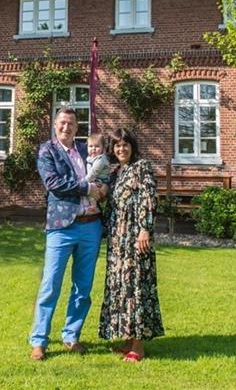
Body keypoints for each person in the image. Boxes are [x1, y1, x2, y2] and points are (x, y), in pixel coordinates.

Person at [29, 107, 108, 361]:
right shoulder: (47, 150)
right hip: (61, 227)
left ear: (77, 127)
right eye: (62, 123)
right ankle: (39, 341)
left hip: (91, 226)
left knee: (82, 287)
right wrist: (88, 187)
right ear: (55, 125)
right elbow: (54, 184)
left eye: (71, 123)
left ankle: (71, 336)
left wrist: (104, 188)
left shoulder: (87, 150)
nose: (67, 127)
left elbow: (104, 173)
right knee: (50, 284)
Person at [99, 127, 164, 362]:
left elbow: (148, 196)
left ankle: (139, 345)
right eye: (117, 145)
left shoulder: (141, 167)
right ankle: (127, 338)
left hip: (136, 237)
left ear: (132, 147)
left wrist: (145, 228)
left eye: (125, 145)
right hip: (118, 240)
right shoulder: (116, 173)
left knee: (136, 288)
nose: (121, 149)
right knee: (121, 289)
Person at [85, 132, 111, 215]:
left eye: (97, 146)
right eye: (91, 146)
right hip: (94, 179)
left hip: (100, 181)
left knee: (92, 193)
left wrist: (83, 182)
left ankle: (94, 208)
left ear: (103, 149)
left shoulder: (101, 159)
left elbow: (93, 172)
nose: (93, 148)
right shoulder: (90, 158)